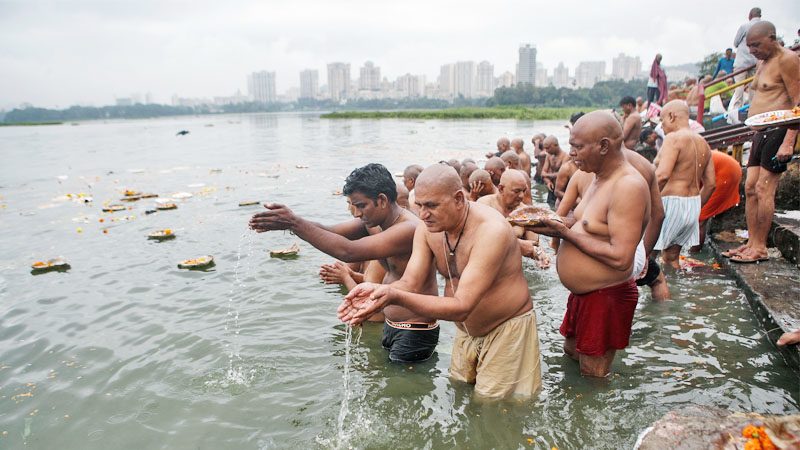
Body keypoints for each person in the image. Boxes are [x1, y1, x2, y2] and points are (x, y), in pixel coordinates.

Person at [338, 163, 542, 398]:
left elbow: (463, 306)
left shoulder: (491, 230)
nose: (423, 215)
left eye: (432, 206)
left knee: (495, 412)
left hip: (507, 329)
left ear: (458, 199)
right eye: (420, 206)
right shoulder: (428, 228)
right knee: (460, 397)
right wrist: (375, 293)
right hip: (466, 333)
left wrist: (393, 295)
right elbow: (410, 283)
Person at [249, 163, 440, 363]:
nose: (357, 213)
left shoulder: (409, 228)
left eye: (361, 205)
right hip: (392, 324)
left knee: (402, 389)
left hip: (416, 329)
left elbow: (348, 251)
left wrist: (294, 223)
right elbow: (328, 230)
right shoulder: (374, 223)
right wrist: (287, 222)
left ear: (382, 200)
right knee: (384, 387)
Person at [526, 111, 650, 377]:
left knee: (594, 375)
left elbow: (621, 258)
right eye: (571, 145)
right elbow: (588, 226)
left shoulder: (628, 186)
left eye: (578, 147)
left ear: (604, 146)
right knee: (571, 355)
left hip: (606, 296)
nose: (571, 153)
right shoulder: (596, 178)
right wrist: (550, 225)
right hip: (584, 294)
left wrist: (565, 234)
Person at [724, 21, 800, 263]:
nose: (753, 50)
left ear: (772, 38)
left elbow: (798, 101)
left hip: (779, 129)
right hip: (759, 131)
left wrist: (789, 141)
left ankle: (760, 247)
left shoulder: (787, 60)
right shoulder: (762, 62)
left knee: (764, 189)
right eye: (750, 46)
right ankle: (751, 242)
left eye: (756, 45)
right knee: (750, 188)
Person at [654, 101, 716, 269]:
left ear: (671, 116)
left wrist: (645, 202)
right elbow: (711, 184)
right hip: (692, 205)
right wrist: (695, 206)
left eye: (662, 120)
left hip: (670, 203)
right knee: (672, 259)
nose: (662, 126)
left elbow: (662, 175)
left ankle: (656, 295)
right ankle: (673, 292)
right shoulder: (703, 142)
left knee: (648, 258)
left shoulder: (673, 138)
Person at [478, 170, 549, 268]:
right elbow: (479, 239)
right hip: (486, 264)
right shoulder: (484, 205)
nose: (521, 196)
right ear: (501, 189)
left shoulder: (526, 213)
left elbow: (534, 245)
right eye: (516, 191)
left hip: (512, 266)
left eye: (524, 191)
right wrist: (519, 244)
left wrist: (541, 257)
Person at [690, 150, 743, 252]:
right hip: (729, 168)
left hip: (726, 173)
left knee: (699, 219)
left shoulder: (683, 163)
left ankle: (694, 253)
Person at [728, 7, 762, 125]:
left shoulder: (744, 27)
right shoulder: (763, 27)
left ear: (750, 15)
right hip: (755, 62)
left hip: (742, 62)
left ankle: (736, 116)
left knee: (739, 89)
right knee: (753, 89)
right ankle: (753, 113)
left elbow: (736, 43)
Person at [541, 136, 570, 206]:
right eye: (545, 148)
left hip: (562, 189)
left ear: (555, 145)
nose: (546, 151)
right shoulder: (548, 156)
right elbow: (543, 172)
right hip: (551, 188)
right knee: (550, 208)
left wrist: (546, 175)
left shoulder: (566, 157)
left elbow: (562, 174)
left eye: (548, 148)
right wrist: (548, 182)